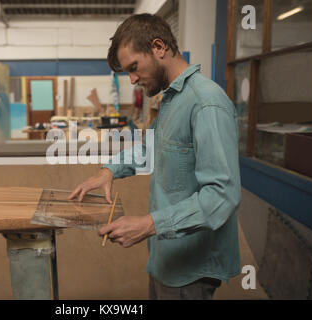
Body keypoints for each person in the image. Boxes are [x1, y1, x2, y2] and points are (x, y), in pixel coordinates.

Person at [68, 13, 241, 300]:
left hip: (190, 267)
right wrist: (108, 171)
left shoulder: (206, 103)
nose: (133, 79)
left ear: (159, 47)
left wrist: (150, 224)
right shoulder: (172, 100)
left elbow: (223, 195)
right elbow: (151, 148)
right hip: (166, 257)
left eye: (134, 67)